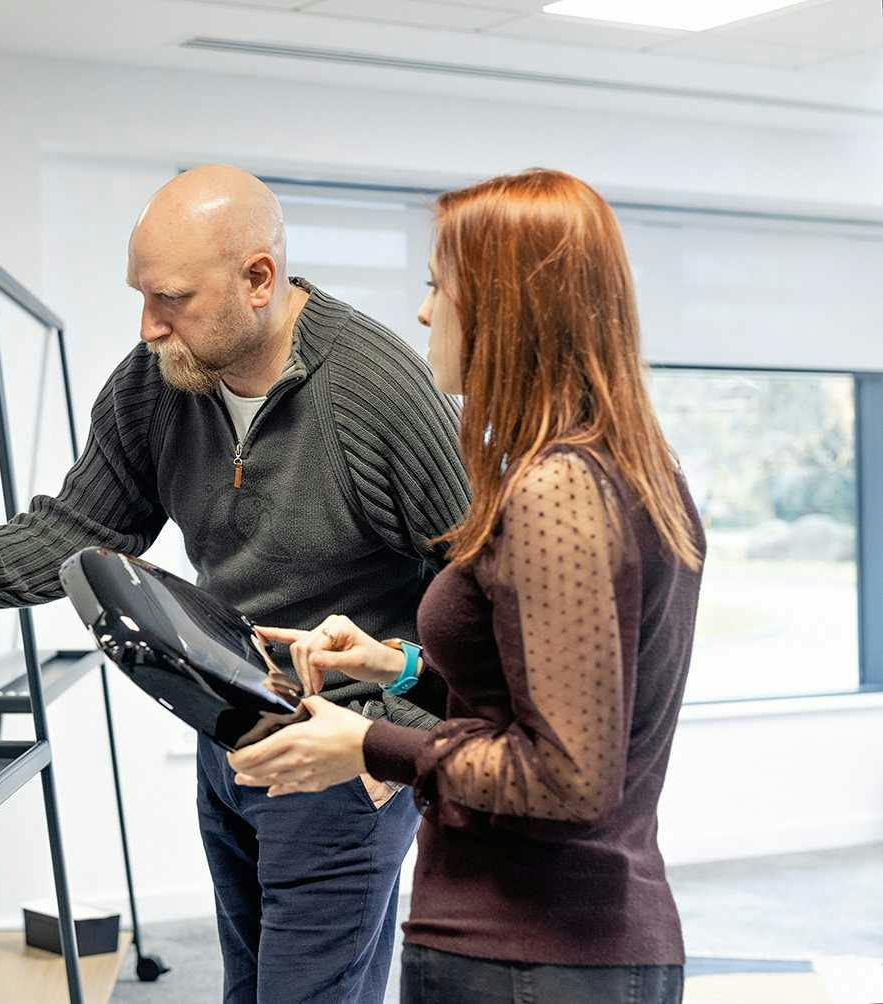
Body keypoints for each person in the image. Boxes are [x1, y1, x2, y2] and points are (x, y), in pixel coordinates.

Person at [0, 164, 470, 1002]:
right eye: (141, 296)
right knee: (252, 985)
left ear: (258, 279)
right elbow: (79, 529)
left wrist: (394, 743)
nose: (149, 325)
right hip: (225, 734)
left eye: (173, 299)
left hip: (341, 754)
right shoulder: (158, 381)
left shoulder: (376, 391)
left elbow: (473, 592)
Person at [228, 168, 705, 1004]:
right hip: (563, 945)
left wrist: (367, 744)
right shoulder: (625, 467)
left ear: (507, 308)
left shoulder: (560, 488)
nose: (422, 312)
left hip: (531, 953)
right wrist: (399, 670)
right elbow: (544, 698)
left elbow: (567, 778)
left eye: (437, 286)